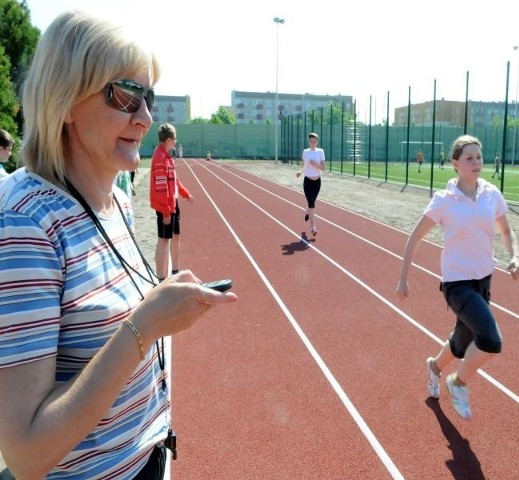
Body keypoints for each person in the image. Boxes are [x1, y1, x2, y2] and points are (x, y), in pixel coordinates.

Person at [0, 11, 237, 479]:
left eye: (147, 97)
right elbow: (25, 453)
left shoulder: (117, 200)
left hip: (150, 455)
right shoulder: (27, 225)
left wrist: (155, 305)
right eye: (126, 94)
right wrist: (145, 325)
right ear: (65, 99)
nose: (146, 117)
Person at [397, 134, 519, 421]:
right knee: (490, 340)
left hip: (483, 281)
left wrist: (515, 256)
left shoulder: (491, 193)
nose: (476, 162)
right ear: (455, 164)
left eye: (479, 156)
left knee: (461, 342)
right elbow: (414, 237)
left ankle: (435, 368)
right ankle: (458, 382)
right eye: (469, 158)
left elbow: (506, 230)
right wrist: (404, 278)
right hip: (457, 284)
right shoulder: (444, 201)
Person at [150, 123, 194, 280]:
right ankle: (161, 278)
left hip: (172, 202)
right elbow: (161, 188)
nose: (176, 142)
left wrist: (184, 192)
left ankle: (175, 270)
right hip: (166, 206)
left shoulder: (167, 156)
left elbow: (173, 180)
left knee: (175, 236)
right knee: (163, 240)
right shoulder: (160, 157)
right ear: (168, 139)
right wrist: (166, 211)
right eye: (175, 139)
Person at [296, 132, 325, 236]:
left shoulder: (320, 151)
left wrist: (315, 164)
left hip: (317, 182)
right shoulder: (305, 152)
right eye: (311, 141)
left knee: (311, 203)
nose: (313, 143)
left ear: (317, 141)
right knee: (312, 205)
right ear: (309, 142)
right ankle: (313, 228)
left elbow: (323, 167)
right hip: (307, 181)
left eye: (314, 141)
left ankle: (307, 212)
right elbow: (303, 164)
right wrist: (300, 171)